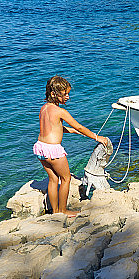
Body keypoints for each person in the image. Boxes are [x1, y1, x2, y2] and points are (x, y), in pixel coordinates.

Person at [34, 76, 108, 217]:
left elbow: (52, 127)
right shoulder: (61, 111)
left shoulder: (44, 108)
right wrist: (97, 137)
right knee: (66, 178)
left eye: (68, 93)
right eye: (64, 94)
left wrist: (70, 131)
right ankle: (63, 210)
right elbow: (80, 127)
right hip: (53, 150)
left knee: (53, 179)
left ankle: (55, 211)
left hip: (40, 148)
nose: (68, 97)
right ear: (53, 94)